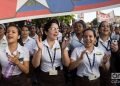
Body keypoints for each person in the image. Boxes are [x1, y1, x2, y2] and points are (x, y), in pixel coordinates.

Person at [32, 19, 70, 86]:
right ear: (46, 32)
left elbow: (66, 64)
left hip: (59, 76)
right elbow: (35, 65)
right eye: (53, 28)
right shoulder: (40, 44)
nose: (56, 31)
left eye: (58, 29)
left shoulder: (62, 44)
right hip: (44, 77)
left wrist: (63, 50)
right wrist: (40, 49)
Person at [96, 21, 112, 86]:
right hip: (98, 71)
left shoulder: (115, 42)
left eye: (107, 26)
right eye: (103, 26)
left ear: (110, 29)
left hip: (113, 71)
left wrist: (116, 51)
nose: (105, 28)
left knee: (114, 84)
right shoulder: (93, 42)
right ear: (99, 29)